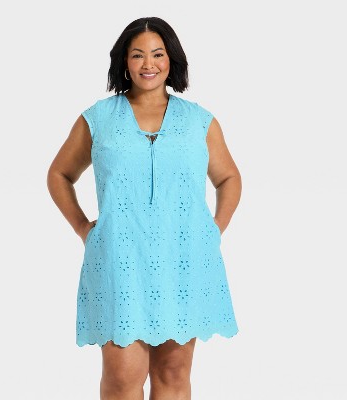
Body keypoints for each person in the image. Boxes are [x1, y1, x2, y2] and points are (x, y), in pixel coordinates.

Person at [47, 16, 242, 400]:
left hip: (184, 261)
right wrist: (82, 227)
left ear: (172, 60)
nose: (148, 64)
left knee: (173, 373)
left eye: (157, 54)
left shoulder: (199, 121)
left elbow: (229, 178)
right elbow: (59, 174)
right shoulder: (99, 119)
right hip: (120, 261)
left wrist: (213, 229)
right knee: (122, 377)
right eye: (137, 55)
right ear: (124, 61)